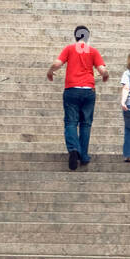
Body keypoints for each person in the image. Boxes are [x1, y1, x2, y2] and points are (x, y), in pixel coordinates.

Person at [47, 25, 109, 171]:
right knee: (85, 124)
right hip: (88, 90)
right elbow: (103, 70)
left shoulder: (69, 49)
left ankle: (74, 149)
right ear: (87, 37)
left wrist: (50, 71)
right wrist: (105, 76)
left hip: (71, 90)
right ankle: (84, 155)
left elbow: (57, 63)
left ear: (75, 36)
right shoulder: (93, 51)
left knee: (70, 122)